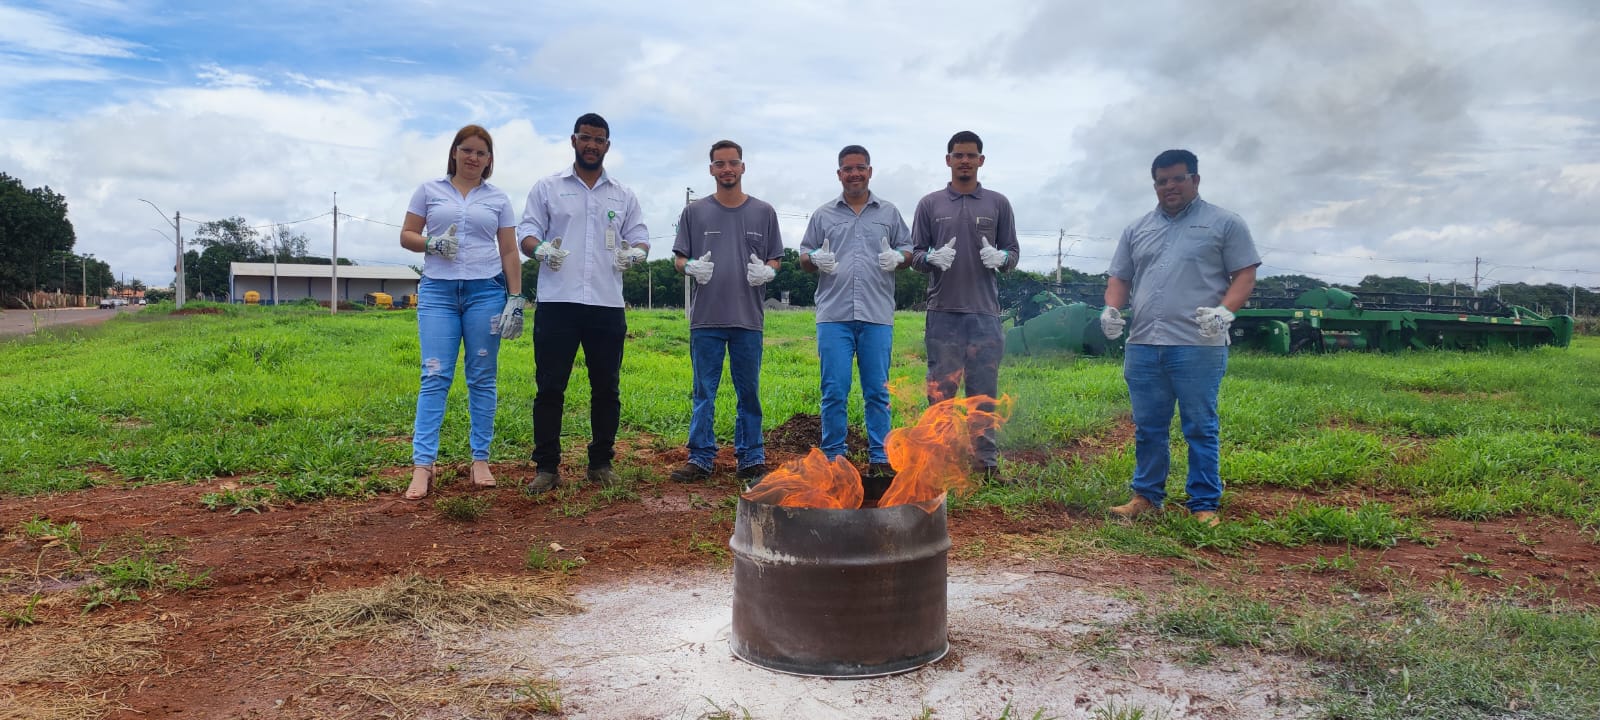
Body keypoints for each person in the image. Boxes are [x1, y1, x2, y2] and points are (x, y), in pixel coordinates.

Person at [1101, 149, 1260, 527]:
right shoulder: (1137, 229)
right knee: (1148, 426)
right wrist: (1110, 309)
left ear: (1195, 180)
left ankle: (1203, 503)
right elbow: (1120, 278)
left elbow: (1244, 274)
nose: (1169, 187)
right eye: (1161, 181)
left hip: (1198, 345)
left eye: (1177, 178)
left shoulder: (1225, 224)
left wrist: (1226, 311)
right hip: (1143, 343)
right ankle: (1146, 496)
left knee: (1199, 425)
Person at [516, 113, 649, 493]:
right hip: (558, 300)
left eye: (599, 140)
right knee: (550, 386)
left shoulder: (622, 194)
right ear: (573, 140)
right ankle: (546, 467)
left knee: (606, 386)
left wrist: (635, 255)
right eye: (586, 138)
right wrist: (539, 249)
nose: (592, 145)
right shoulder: (548, 187)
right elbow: (527, 231)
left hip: (607, 303)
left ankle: (601, 461)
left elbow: (639, 236)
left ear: (608, 145)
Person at [399, 124, 525, 500]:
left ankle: (480, 460)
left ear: (489, 160)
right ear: (454, 152)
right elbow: (407, 235)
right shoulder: (429, 190)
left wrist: (515, 298)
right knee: (434, 375)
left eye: (481, 153)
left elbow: (508, 251)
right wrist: (432, 244)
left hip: (485, 291)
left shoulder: (498, 198)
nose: (473, 157)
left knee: (483, 376)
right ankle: (423, 466)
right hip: (438, 291)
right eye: (467, 150)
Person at [798, 144, 911, 499]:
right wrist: (815, 258)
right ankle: (834, 457)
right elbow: (803, 255)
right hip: (834, 316)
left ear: (870, 171)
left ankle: (880, 455)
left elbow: (908, 250)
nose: (854, 174)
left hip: (877, 315)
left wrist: (899, 257)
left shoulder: (889, 213)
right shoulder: (823, 215)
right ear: (839, 174)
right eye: (847, 169)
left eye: (860, 168)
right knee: (834, 390)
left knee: (878, 391)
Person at [670, 139, 784, 485]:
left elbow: (776, 258)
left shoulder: (764, 212)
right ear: (711, 170)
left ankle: (751, 457)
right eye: (720, 164)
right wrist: (690, 267)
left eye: (733, 163)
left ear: (743, 167)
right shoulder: (695, 213)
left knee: (748, 391)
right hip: (706, 319)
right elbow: (678, 258)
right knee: (704, 390)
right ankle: (701, 457)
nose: (727, 169)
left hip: (748, 319)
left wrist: (769, 271)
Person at [909, 130, 1019, 482]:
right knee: (941, 392)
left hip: (985, 313)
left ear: (981, 161)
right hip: (943, 312)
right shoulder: (930, 204)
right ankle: (940, 461)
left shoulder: (998, 203)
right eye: (959, 155)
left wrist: (1001, 258)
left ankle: (985, 463)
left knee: (983, 391)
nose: (965, 161)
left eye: (972, 156)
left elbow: (1013, 253)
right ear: (948, 160)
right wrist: (930, 258)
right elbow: (913, 254)